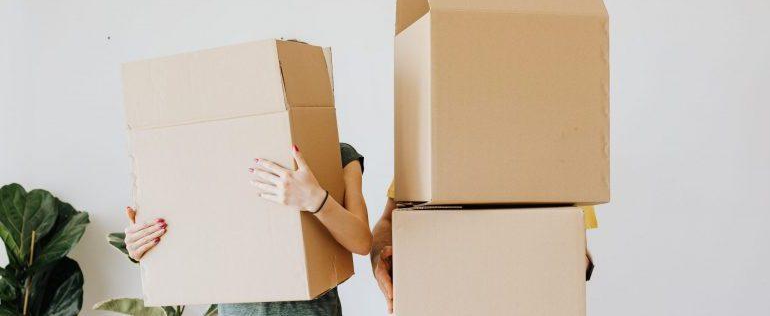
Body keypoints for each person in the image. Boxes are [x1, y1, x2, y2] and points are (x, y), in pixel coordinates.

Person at [124, 143, 371, 316]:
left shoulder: (335, 152)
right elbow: (191, 237)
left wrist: (315, 199)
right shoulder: (207, 158)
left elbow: (362, 242)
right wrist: (143, 244)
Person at [370, 182, 598, 314]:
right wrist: (379, 261)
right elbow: (389, 221)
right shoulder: (434, 138)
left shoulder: (559, 151)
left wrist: (574, 263)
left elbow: (575, 244)